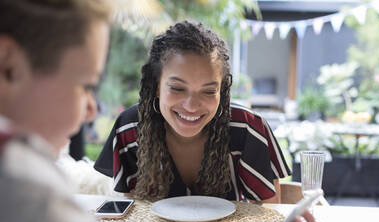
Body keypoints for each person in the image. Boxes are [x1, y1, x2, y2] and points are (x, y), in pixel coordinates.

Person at [0, 1, 327, 222]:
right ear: (8, 64)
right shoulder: (29, 196)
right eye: (84, 85)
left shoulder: (22, 186)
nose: (90, 111)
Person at [94, 21, 291, 203]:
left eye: (208, 91)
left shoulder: (248, 129)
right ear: (156, 86)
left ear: (221, 91)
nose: (191, 106)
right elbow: (134, 217)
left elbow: (268, 217)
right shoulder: (130, 129)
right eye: (178, 88)